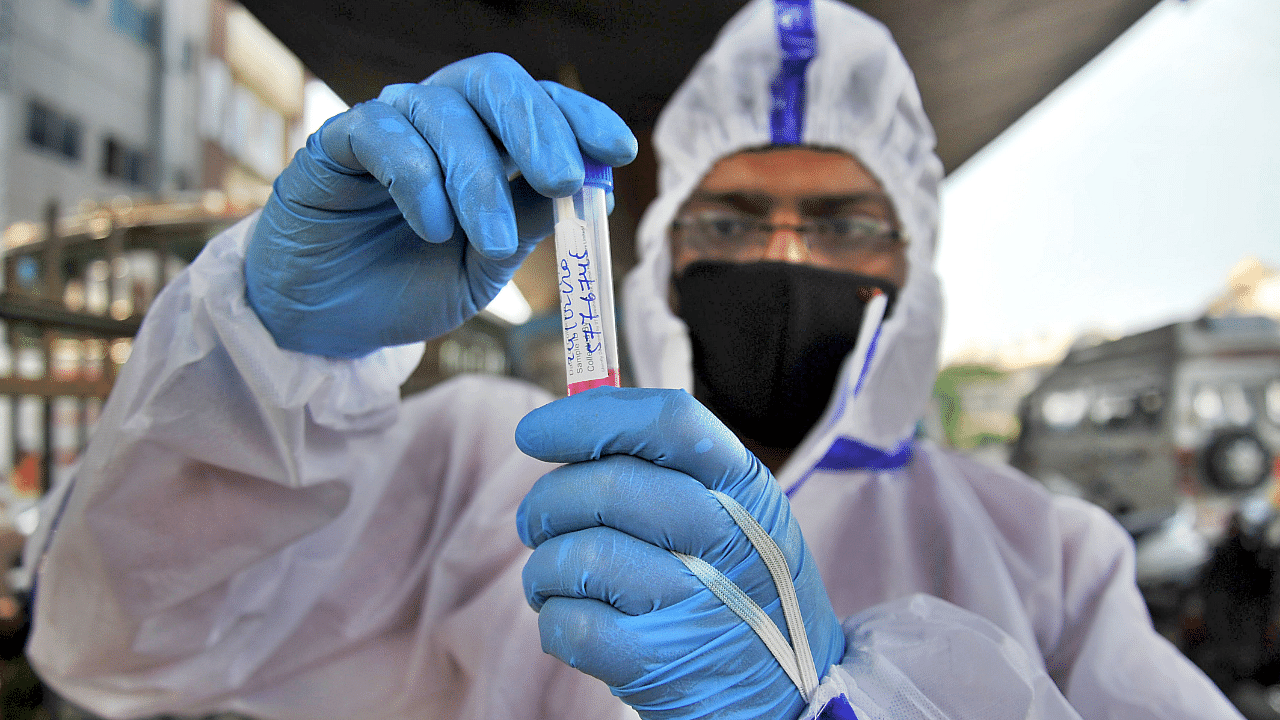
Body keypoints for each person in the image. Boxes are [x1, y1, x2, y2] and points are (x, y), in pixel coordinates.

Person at [22, 0, 1243, 719]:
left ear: (908, 266)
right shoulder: (473, 466)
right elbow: (118, 641)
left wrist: (837, 712)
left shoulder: (1044, 554)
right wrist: (266, 357)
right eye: (729, 217)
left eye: (838, 222)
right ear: (651, 249)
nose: (779, 254)